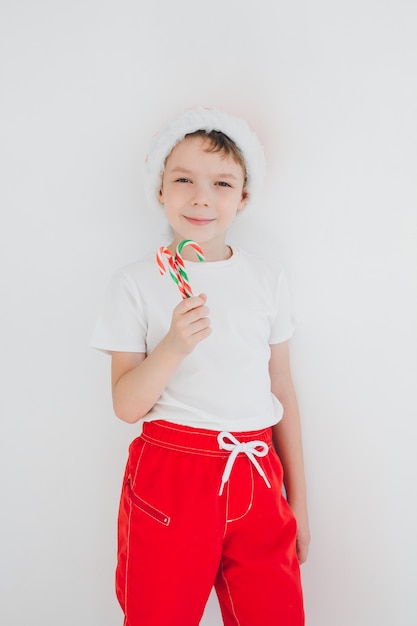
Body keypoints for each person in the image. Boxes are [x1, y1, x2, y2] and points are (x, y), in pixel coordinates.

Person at [90, 107, 310, 626]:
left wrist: (297, 501)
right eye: (183, 179)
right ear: (160, 189)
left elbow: (284, 390)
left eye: (222, 183)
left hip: (256, 470)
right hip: (172, 475)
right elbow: (126, 405)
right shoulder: (136, 282)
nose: (201, 197)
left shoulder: (267, 279)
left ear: (244, 196)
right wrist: (173, 345)